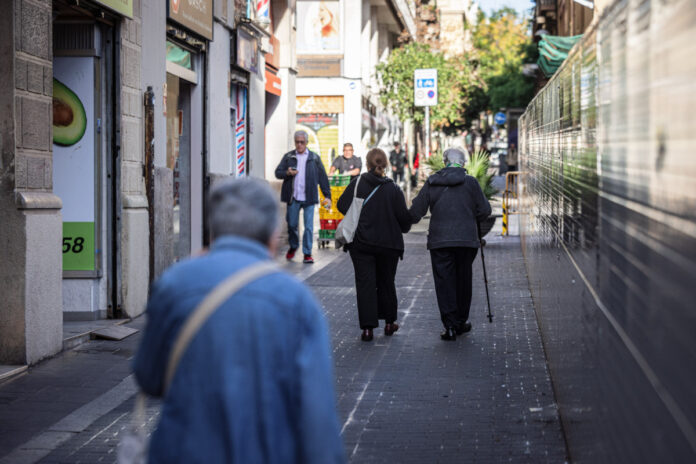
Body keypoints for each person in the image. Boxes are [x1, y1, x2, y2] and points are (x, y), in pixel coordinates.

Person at [133, 177, 345, 464]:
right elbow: (316, 414)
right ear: (273, 234)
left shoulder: (174, 283)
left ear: (213, 229)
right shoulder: (296, 301)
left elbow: (149, 377)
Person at [409, 147, 491, 341]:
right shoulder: (471, 182)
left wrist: (399, 221)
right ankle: (461, 321)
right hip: (466, 240)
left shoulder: (432, 182)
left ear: (445, 163)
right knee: (463, 279)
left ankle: (450, 326)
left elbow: (416, 212)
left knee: (444, 282)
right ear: (463, 164)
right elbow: (485, 211)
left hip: (440, 241)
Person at [337, 148, 412, 341]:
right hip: (389, 246)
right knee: (387, 282)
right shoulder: (394, 189)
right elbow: (405, 223)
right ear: (385, 164)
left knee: (365, 284)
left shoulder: (357, 183)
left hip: (361, 243)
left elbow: (341, 205)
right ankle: (389, 323)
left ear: (367, 164)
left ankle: (368, 329)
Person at [275, 130, 331, 264]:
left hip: (309, 197)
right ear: (295, 142)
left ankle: (307, 253)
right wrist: (287, 173)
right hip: (293, 197)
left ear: (306, 142)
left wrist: (327, 196)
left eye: (302, 142)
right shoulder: (288, 157)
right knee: (292, 225)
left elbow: (323, 178)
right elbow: (278, 172)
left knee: (309, 227)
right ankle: (294, 246)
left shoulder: (314, 158)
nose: (299, 144)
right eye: (297, 142)